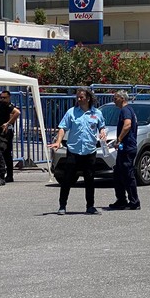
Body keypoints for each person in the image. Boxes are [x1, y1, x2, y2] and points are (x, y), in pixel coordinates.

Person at [48, 87, 107, 215]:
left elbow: (101, 126)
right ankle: (62, 206)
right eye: (78, 97)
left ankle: (90, 206)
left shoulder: (97, 113)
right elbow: (63, 128)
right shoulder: (71, 112)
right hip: (74, 151)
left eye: (81, 97)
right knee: (67, 179)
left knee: (90, 180)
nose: (79, 99)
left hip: (90, 151)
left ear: (88, 98)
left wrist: (102, 133)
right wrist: (58, 142)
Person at [108, 90, 141, 210]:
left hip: (127, 147)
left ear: (122, 99)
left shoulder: (125, 110)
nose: (114, 101)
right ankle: (121, 199)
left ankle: (134, 201)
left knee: (128, 174)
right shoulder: (128, 110)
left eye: (115, 98)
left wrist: (119, 139)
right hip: (125, 148)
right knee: (118, 173)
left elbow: (127, 125)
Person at [0, 90, 20, 186]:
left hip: (3, 133)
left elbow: (17, 112)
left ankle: (2, 176)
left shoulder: (4, 105)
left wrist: (8, 123)